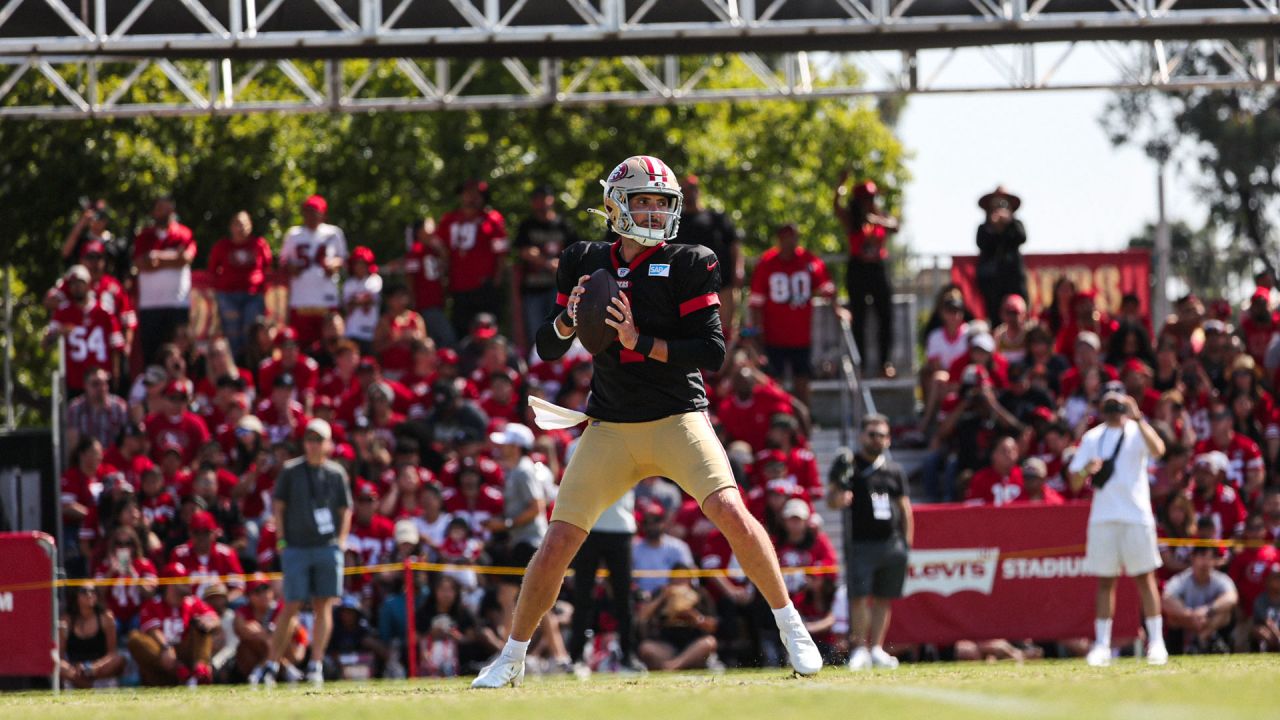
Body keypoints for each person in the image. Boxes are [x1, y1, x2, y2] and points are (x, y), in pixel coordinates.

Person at [471, 155, 822, 688]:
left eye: (663, 202)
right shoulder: (584, 259)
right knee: (558, 542)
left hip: (677, 416)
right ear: (616, 205)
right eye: (644, 201)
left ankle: (790, 625)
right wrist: (569, 318)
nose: (656, 212)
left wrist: (640, 342)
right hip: (610, 426)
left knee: (730, 509)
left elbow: (712, 350)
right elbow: (545, 346)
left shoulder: (690, 261)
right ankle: (512, 655)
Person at [1067, 388, 1169, 666]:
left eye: (1118, 403)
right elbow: (1075, 482)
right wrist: (1087, 469)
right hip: (1104, 517)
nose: (1113, 408)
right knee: (1105, 582)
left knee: (1145, 578)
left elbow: (1159, 450)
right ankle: (1101, 645)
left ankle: (1157, 642)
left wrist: (1139, 418)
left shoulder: (1138, 430)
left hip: (1136, 515)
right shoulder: (1092, 437)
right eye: (1109, 402)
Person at [252, 418, 352, 687]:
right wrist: (282, 539)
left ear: (329, 444)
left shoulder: (336, 473)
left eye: (319, 439)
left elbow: (345, 511)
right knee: (291, 604)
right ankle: (271, 665)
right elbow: (279, 506)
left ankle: (316, 665)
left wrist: (340, 542)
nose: (313, 444)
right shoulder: (291, 471)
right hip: (296, 546)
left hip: (326, 545)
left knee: (323, 604)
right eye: (309, 439)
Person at [826, 414, 912, 671]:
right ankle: (859, 648)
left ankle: (876, 648)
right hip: (861, 542)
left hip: (890, 542)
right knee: (859, 598)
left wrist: (906, 544)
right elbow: (832, 499)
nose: (877, 439)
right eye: (872, 434)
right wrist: (840, 497)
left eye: (882, 434)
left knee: (884, 597)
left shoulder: (894, 470)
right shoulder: (849, 464)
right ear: (861, 436)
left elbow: (904, 508)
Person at [746, 222, 836, 408]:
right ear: (779, 239)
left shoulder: (808, 261)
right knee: (773, 384)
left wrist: (837, 308)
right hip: (773, 336)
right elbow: (755, 303)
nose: (791, 242)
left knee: (802, 381)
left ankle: (805, 420)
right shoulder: (767, 263)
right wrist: (757, 332)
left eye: (794, 237)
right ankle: (776, 417)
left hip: (801, 336)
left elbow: (827, 287)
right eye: (786, 237)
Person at [833, 171, 899, 378]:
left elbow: (895, 226)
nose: (869, 202)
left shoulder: (881, 216)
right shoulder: (852, 221)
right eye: (865, 199)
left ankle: (884, 363)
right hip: (858, 269)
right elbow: (836, 207)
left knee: (885, 315)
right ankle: (859, 365)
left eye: (871, 198)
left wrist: (877, 220)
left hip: (877, 268)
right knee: (859, 318)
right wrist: (840, 188)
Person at [568, 491, 640, 675]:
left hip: (621, 530)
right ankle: (576, 657)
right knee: (583, 597)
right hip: (588, 527)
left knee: (623, 598)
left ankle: (628, 655)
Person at [127, 561, 220, 686]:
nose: (187, 582)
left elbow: (214, 618)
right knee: (134, 638)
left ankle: (200, 673)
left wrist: (209, 622)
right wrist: (166, 648)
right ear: (170, 582)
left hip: (188, 654)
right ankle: (181, 674)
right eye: (183, 579)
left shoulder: (193, 602)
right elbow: (152, 631)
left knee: (202, 626)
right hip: (164, 658)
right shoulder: (153, 605)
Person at [513, 185, 581, 351]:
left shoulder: (564, 226)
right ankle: (538, 367)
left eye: (544, 198)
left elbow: (576, 253)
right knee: (535, 332)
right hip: (532, 289)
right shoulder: (528, 225)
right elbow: (524, 251)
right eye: (537, 199)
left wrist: (558, 263)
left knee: (561, 329)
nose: (541, 203)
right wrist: (547, 262)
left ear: (552, 200)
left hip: (559, 289)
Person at [676, 175, 743, 339]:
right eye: (684, 190)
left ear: (698, 191)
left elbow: (734, 244)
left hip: (722, 283)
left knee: (724, 330)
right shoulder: (677, 221)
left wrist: (738, 270)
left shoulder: (716, 218)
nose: (688, 194)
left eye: (691, 189)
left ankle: (723, 363)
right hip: (690, 287)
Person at [133, 195, 196, 366]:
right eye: (161, 208)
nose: (165, 213)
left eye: (168, 208)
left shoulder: (184, 233)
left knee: (181, 352)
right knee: (152, 353)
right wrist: (173, 258)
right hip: (150, 305)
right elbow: (140, 264)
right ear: (154, 212)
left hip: (177, 303)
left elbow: (185, 259)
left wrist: (156, 258)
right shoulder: (145, 236)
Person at [442, 179, 509, 339]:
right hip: (458, 287)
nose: (471, 198)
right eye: (467, 194)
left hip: (484, 287)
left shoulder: (492, 220)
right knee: (461, 331)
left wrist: (496, 281)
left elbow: (502, 253)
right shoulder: (449, 220)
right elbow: (441, 250)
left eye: (476, 194)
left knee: (488, 329)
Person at [46, 265, 126, 397]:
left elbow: (116, 346)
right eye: (73, 284)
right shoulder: (63, 312)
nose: (76, 287)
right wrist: (58, 332)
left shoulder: (104, 312)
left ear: (88, 284)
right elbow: (45, 343)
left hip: (102, 381)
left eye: (80, 283)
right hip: (75, 380)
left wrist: (116, 375)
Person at [280, 195, 347, 348]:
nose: (311, 216)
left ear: (323, 214)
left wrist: (334, 265)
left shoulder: (334, 233)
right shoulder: (294, 234)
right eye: (307, 212)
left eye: (314, 212)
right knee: (302, 342)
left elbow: (343, 258)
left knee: (331, 342)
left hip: (326, 298)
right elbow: (283, 261)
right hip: (301, 299)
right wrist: (291, 267)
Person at [207, 211, 273, 360]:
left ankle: (252, 363)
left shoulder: (259, 244)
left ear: (250, 226)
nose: (240, 228)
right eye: (237, 224)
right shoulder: (222, 246)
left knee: (251, 331)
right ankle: (235, 364)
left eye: (244, 224)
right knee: (232, 332)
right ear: (231, 227)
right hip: (228, 295)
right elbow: (212, 270)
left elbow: (267, 268)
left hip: (253, 295)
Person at [1163, 546, 1240, 653]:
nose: (1205, 562)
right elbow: (1166, 599)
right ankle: (1185, 647)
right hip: (1187, 621)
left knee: (1226, 614)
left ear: (1215, 561)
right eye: (1202, 556)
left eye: (1210, 558)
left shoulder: (1220, 578)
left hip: (1209, 620)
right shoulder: (1182, 578)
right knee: (1172, 618)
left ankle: (1201, 639)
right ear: (1192, 558)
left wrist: (1208, 610)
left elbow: (1232, 598)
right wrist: (1190, 614)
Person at [974, 186, 1027, 320]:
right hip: (992, 284)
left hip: (1014, 281)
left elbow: (1022, 237)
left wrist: (1008, 223)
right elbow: (981, 244)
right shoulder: (984, 228)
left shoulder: (1016, 225)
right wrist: (993, 228)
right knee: (994, 316)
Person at [59, 584, 125, 689]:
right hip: (75, 669)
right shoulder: (66, 621)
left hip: (99, 667)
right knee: (57, 665)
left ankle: (85, 685)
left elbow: (112, 653)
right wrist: (76, 668)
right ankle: (89, 686)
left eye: (93, 591)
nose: (90, 595)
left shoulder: (106, 617)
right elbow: (60, 656)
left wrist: (94, 667)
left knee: (119, 660)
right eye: (84, 591)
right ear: (76, 596)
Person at [67, 367, 130, 451]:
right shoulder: (75, 409)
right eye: (95, 384)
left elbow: (127, 441)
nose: (101, 388)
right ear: (85, 386)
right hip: (87, 460)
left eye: (104, 383)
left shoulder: (119, 407)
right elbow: (73, 444)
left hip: (113, 459)